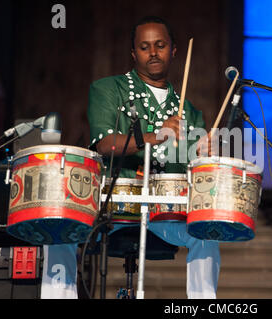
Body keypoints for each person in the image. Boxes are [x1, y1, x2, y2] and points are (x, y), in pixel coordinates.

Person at [41, 16, 220, 299]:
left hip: (163, 214)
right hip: (111, 209)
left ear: (173, 51)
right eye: (145, 47)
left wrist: (204, 158)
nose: (153, 53)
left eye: (160, 45)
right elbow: (105, 144)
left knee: (207, 233)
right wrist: (154, 136)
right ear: (133, 53)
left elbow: (194, 176)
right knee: (59, 229)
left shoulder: (190, 112)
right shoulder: (108, 89)